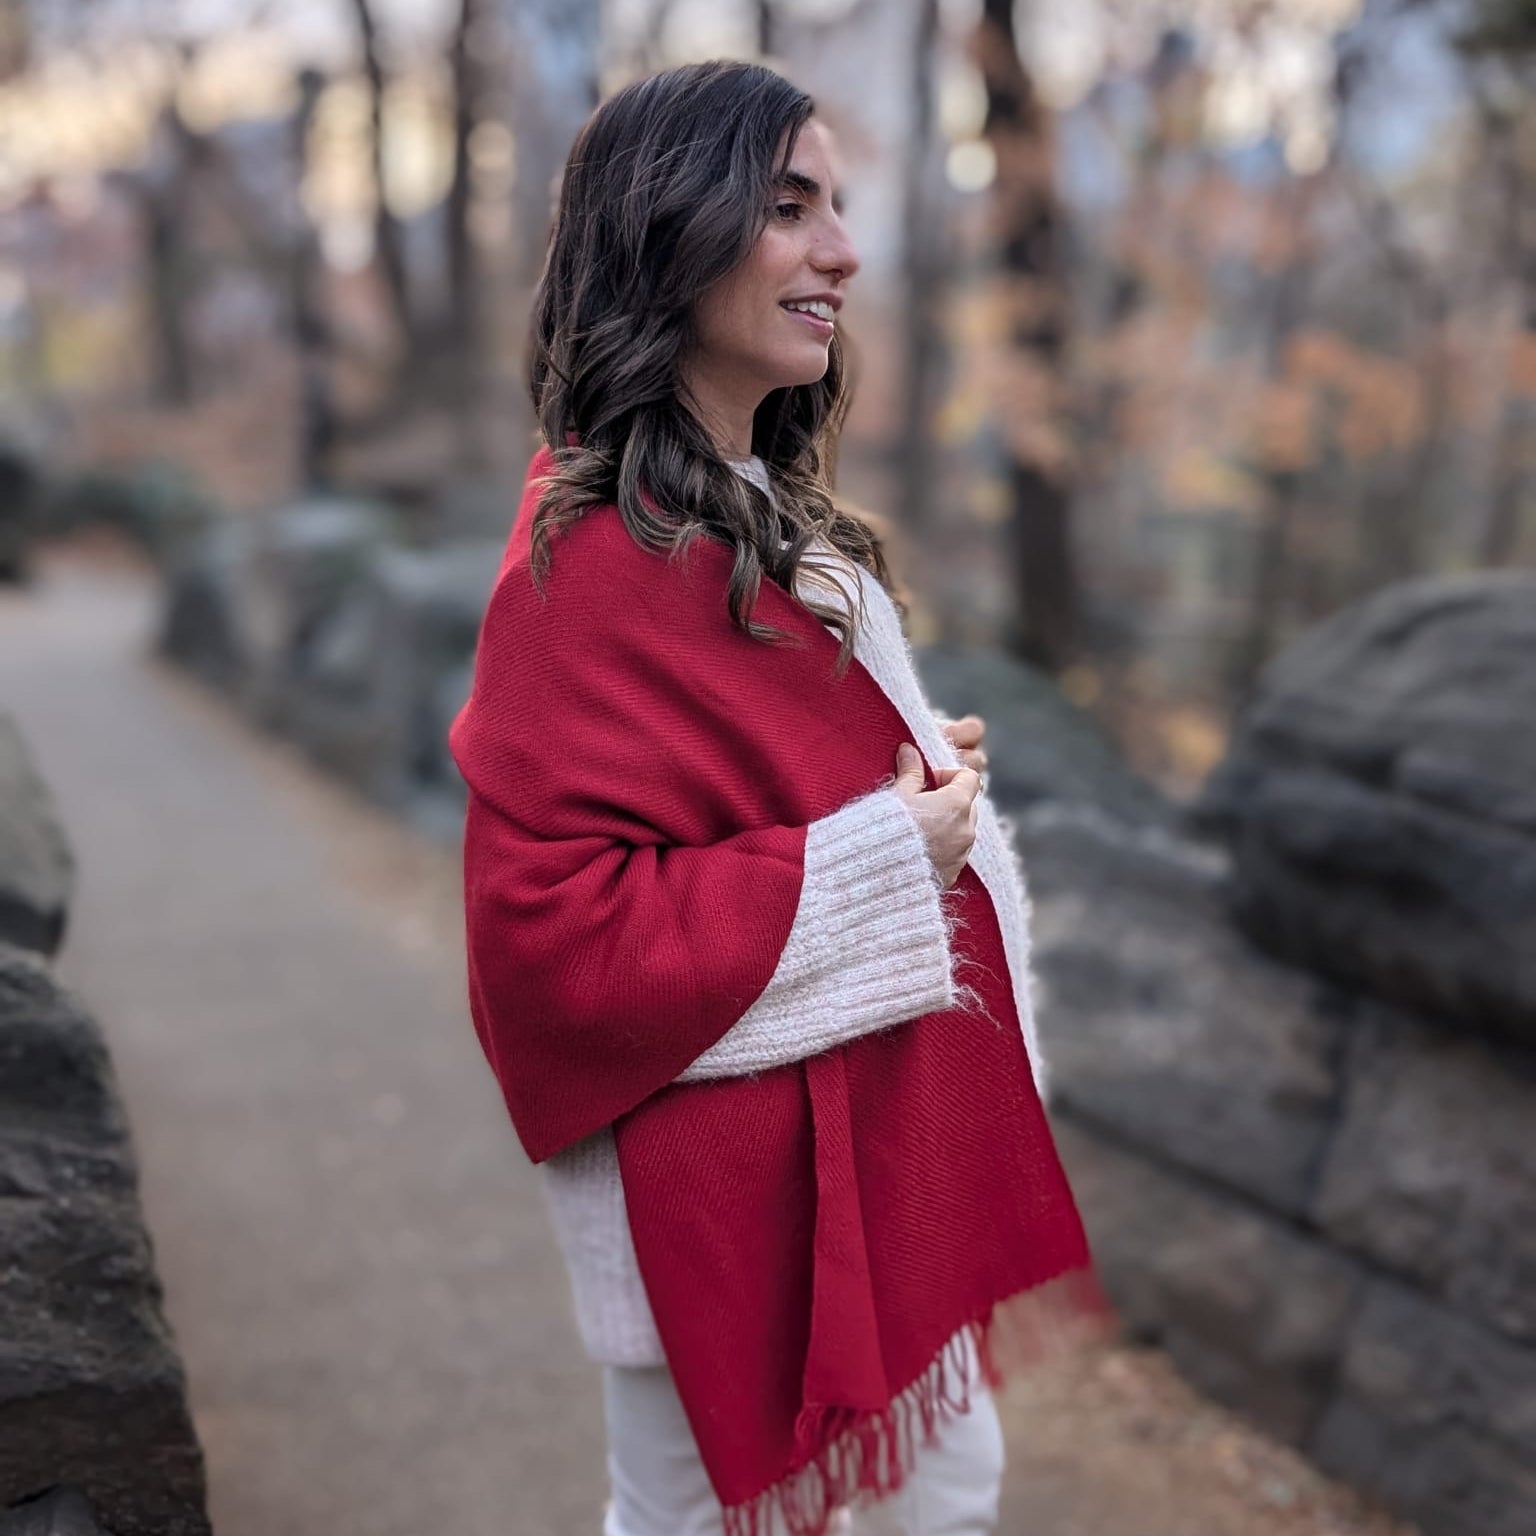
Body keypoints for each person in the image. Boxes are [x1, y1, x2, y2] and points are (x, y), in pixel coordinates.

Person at [449, 58, 1114, 1536]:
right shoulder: (589, 565)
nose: (844, 252)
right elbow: (546, 938)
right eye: (790, 208)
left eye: (842, 207)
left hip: (871, 1132)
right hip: (713, 1177)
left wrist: (905, 775)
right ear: (671, 231)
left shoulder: (764, 509)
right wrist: (888, 848)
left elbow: (743, 771)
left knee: (949, 1490)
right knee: (695, 1515)